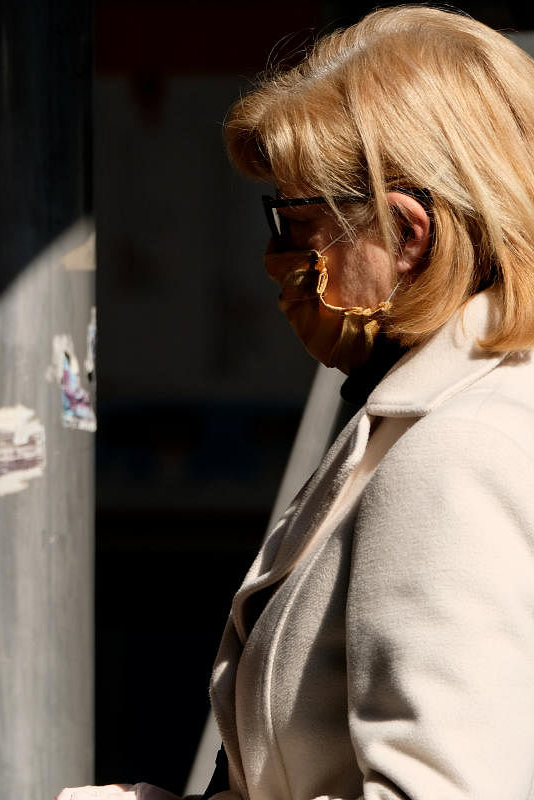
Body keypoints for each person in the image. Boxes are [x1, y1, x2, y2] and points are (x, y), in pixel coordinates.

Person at [61, 6, 534, 799]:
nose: (274, 259)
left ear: (407, 234)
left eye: (295, 225)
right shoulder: (458, 410)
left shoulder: (461, 451)